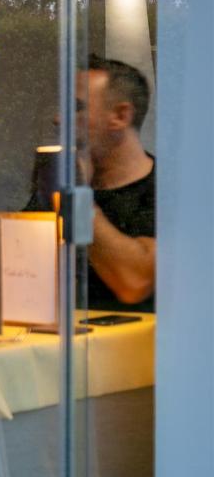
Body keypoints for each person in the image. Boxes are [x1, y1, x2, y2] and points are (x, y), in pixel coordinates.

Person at [31, 55, 155, 312]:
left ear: (120, 116)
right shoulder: (62, 184)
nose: (58, 119)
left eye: (76, 107)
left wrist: (77, 195)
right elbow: (22, 262)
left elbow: (134, 282)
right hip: (60, 345)